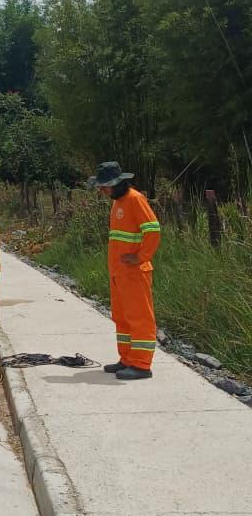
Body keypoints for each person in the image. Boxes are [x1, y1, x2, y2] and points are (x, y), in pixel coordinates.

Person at [89, 161, 161, 380]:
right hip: (119, 272)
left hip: (135, 272)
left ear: (119, 183)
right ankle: (127, 359)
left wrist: (140, 257)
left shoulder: (135, 199)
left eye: (105, 186)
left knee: (139, 317)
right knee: (122, 317)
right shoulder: (117, 202)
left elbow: (153, 230)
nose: (102, 191)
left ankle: (141, 364)